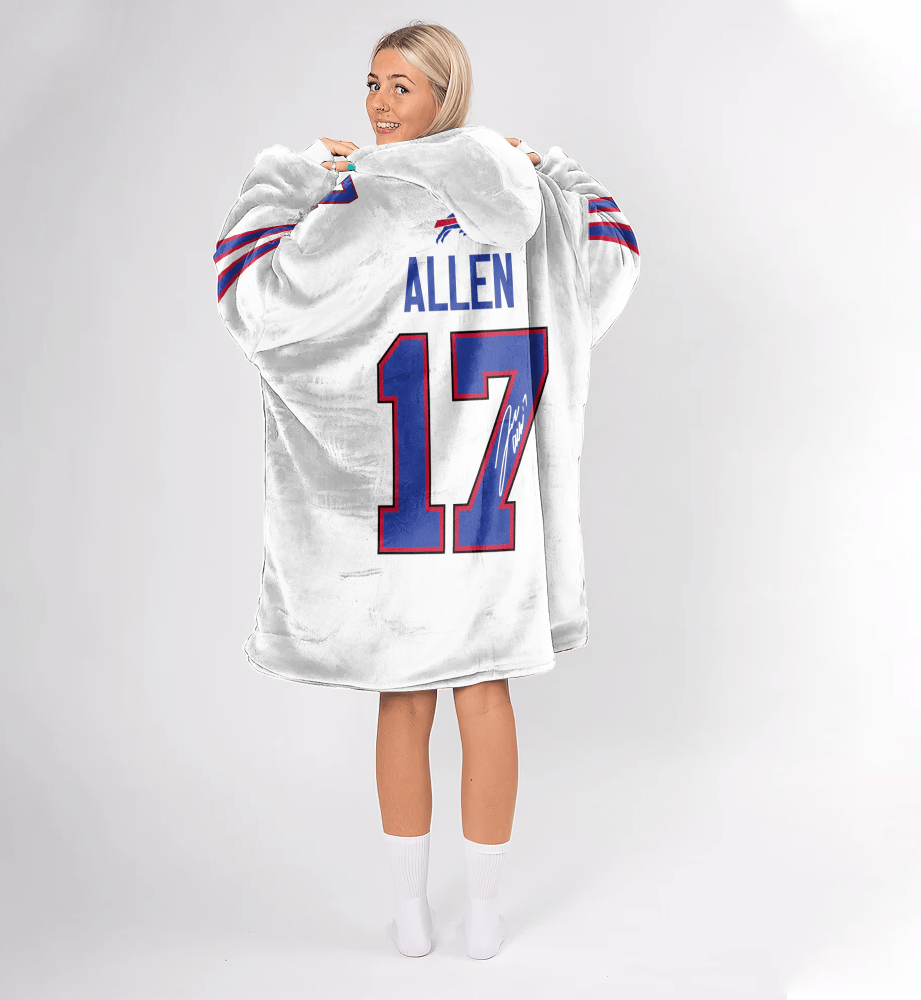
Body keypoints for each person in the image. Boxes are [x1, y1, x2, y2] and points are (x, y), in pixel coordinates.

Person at [213, 22, 639, 961]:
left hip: (402, 527)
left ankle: (417, 915)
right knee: (483, 699)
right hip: (494, 526)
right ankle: (478, 915)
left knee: (406, 703)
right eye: (372, 83)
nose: (377, 104)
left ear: (447, 96)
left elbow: (251, 293)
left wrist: (295, 175)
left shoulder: (358, 203)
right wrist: (549, 168)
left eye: (401, 87)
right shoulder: (529, 202)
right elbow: (613, 252)